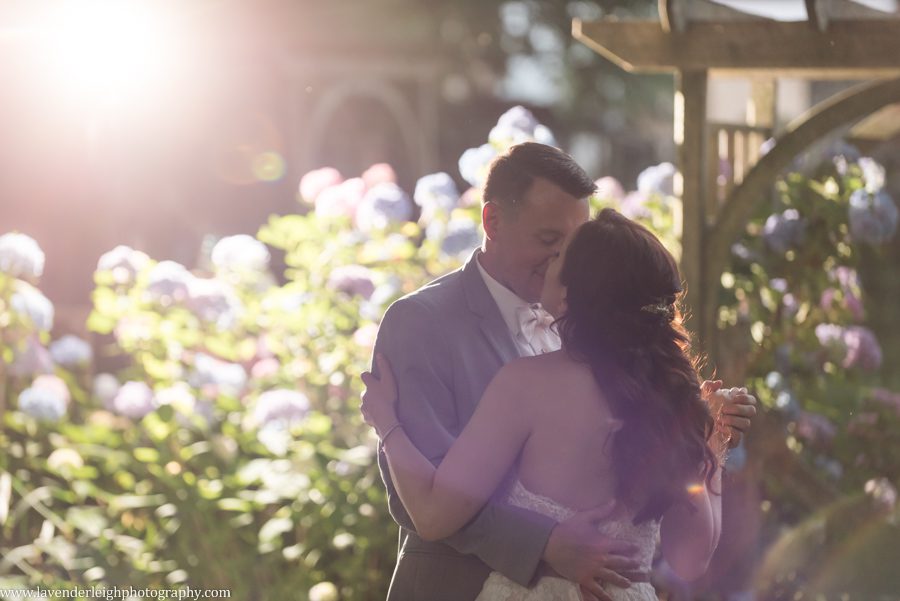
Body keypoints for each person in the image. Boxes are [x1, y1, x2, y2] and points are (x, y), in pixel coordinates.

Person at [367, 143, 756, 601]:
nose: (559, 260)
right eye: (551, 241)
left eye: (574, 249)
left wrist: (383, 422)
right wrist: (544, 546)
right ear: (492, 222)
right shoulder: (421, 323)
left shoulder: (566, 354)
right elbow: (419, 503)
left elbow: (434, 507)